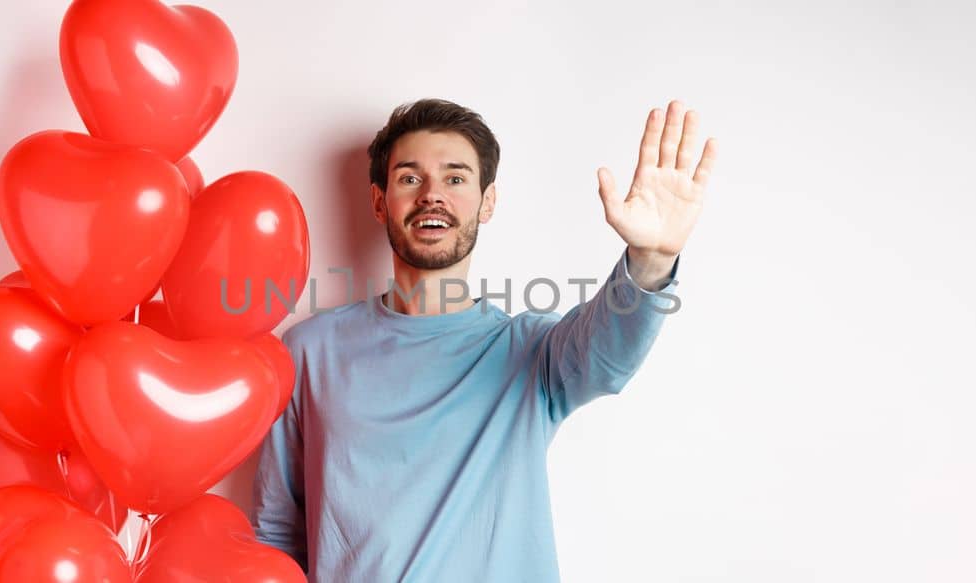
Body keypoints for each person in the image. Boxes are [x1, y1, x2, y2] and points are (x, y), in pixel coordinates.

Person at [250, 97, 715, 582]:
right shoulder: (309, 351)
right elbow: (276, 531)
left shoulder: (529, 352)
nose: (433, 195)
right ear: (379, 201)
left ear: (487, 202)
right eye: (410, 178)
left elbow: (609, 356)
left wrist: (651, 260)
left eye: (455, 179)